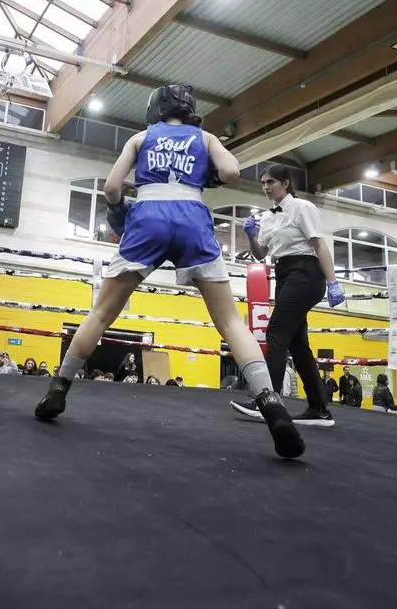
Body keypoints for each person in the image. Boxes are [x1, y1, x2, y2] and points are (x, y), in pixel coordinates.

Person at [33, 85, 303, 459]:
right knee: (230, 322)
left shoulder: (141, 138)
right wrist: (204, 174)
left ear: (155, 108)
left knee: (101, 314)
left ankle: (58, 390)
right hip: (192, 219)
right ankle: (272, 404)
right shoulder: (204, 137)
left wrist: (118, 211)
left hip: (148, 218)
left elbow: (111, 187)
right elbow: (231, 171)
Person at [232, 164, 345, 428]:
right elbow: (260, 254)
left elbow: (319, 244)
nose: (266, 187)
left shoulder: (303, 207)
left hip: (305, 272)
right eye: (263, 183)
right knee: (297, 344)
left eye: (271, 182)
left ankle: (267, 402)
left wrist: (333, 282)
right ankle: (319, 409)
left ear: (285, 183)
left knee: (276, 333)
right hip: (283, 274)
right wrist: (250, 235)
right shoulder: (267, 217)